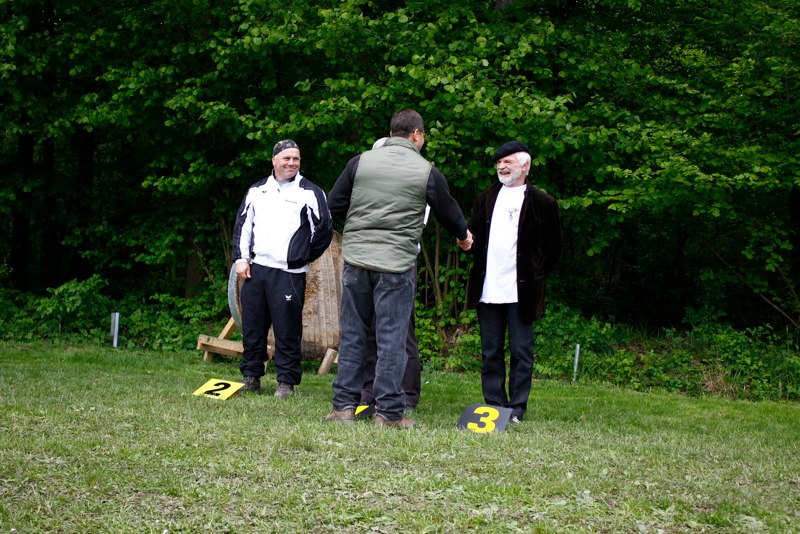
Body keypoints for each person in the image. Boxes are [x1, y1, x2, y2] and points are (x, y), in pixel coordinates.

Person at [326, 109, 472, 428]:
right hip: (396, 265)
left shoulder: (359, 162)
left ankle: (343, 408)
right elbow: (448, 210)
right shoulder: (425, 170)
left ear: (391, 131)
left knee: (353, 334)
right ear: (416, 134)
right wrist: (463, 236)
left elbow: (332, 206)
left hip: (357, 261)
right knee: (391, 338)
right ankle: (389, 413)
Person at [463, 140, 562, 424]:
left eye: (507, 161)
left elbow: (554, 248)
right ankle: (495, 406)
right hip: (488, 289)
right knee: (490, 351)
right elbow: (473, 237)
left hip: (522, 292)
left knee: (521, 352)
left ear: (525, 165)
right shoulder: (485, 198)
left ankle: (517, 408)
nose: (502, 167)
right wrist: (466, 242)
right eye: (499, 163)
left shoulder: (543, 202)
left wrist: (535, 274)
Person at [232, 139, 333, 397]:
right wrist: (241, 259)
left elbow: (323, 230)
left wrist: (302, 256)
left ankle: (286, 382)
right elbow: (243, 225)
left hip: (289, 273)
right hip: (257, 269)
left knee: (287, 329)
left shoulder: (310, 192)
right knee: (253, 326)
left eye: (296, 159)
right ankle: (251, 376)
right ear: (274, 160)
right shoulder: (257, 190)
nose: (291, 163)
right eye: (286, 158)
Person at [359, 137, 424, 414]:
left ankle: (406, 394)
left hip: (399, 263)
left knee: (400, 332)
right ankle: (369, 390)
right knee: (368, 330)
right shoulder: (366, 183)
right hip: (368, 261)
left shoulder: (414, 179)